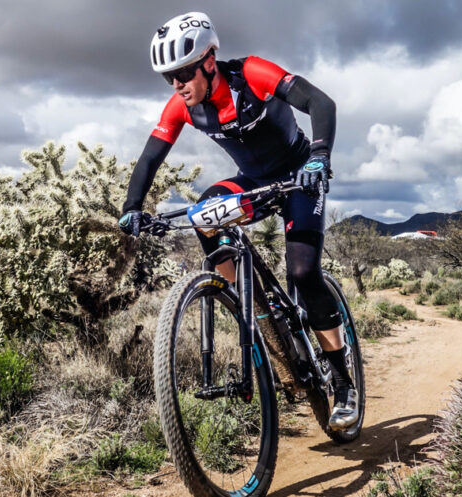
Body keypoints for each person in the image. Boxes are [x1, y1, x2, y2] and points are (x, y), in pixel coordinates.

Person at [118, 12, 358, 430]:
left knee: (302, 272)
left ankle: (343, 382)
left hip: (299, 177)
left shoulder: (252, 74)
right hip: (253, 184)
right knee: (203, 214)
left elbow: (321, 103)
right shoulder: (181, 106)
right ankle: (244, 301)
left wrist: (319, 157)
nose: (176, 84)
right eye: (167, 77)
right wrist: (132, 206)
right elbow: (150, 157)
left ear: (209, 61)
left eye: (182, 73)